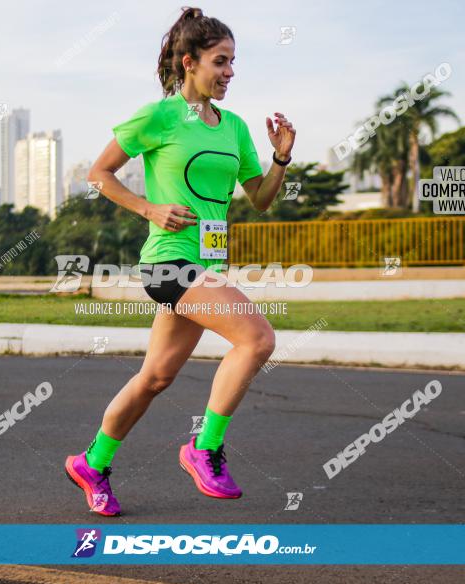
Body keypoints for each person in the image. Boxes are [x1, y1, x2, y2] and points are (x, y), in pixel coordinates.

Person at [64, 6, 296, 516]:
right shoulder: (160, 116)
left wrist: (280, 158)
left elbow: (258, 197)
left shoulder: (233, 127)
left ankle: (92, 461)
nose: (230, 72)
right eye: (221, 61)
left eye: (234, 62)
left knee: (155, 378)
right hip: (169, 263)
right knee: (257, 338)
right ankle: (203, 449)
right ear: (189, 62)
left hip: (207, 267)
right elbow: (98, 173)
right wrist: (149, 207)